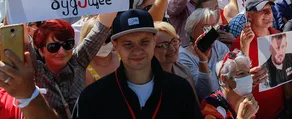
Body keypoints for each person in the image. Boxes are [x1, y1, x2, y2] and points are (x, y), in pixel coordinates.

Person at [73, 9, 202, 118]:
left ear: (154, 41)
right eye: (128, 44)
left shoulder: (180, 89)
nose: (137, 50)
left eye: (144, 42)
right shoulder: (93, 98)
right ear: (116, 46)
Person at [231, 0, 284, 119]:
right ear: (248, 15)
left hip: (279, 109)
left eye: (269, 9)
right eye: (262, 10)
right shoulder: (239, 43)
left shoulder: (278, 35)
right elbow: (234, 82)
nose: (268, 13)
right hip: (254, 113)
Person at [178, 8, 229, 100]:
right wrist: (203, 60)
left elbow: (232, 80)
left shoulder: (220, 47)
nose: (211, 32)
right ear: (192, 31)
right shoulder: (183, 56)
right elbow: (204, 93)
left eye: (213, 27)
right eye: (206, 28)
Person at [200, 50, 259, 119]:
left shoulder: (247, 103)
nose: (248, 77)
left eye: (248, 72)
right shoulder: (211, 106)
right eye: (241, 73)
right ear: (224, 79)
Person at [153, 21, 198, 99]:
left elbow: (195, 106)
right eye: (164, 45)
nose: (172, 48)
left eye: (174, 41)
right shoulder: (148, 80)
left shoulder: (183, 70)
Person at [80, 17, 121, 86]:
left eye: (108, 38)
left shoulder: (122, 58)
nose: (103, 44)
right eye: (97, 40)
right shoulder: (84, 69)